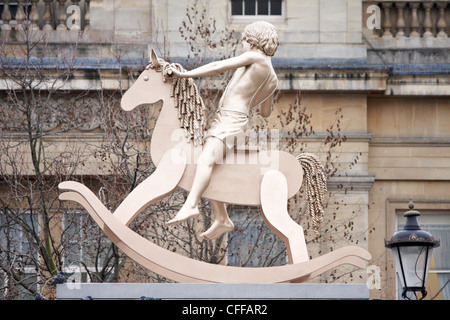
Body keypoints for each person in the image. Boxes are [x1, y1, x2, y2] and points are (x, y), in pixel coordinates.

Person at [166, 21, 279, 240]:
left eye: (244, 41)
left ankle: (191, 204)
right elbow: (266, 112)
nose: (242, 46)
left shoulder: (255, 57)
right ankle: (222, 218)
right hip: (235, 120)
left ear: (253, 41)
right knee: (210, 165)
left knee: (205, 160)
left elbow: (218, 67)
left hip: (230, 121)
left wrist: (185, 75)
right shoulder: (272, 77)